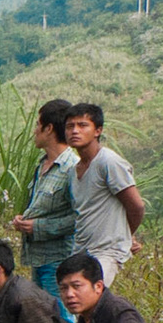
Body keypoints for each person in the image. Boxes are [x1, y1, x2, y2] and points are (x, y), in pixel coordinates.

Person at [9, 99, 79, 323]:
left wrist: (38, 227)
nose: (35, 131)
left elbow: (78, 217)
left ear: (49, 128)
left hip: (58, 257)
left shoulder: (71, 168)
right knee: (41, 318)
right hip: (37, 257)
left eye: (38, 125)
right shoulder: (41, 166)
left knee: (62, 319)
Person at [64, 103, 146, 286]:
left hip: (106, 253)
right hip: (81, 250)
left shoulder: (108, 162)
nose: (75, 131)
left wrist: (125, 237)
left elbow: (136, 206)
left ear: (98, 131)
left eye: (82, 125)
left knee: (90, 296)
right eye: (70, 126)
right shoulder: (73, 171)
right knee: (76, 299)